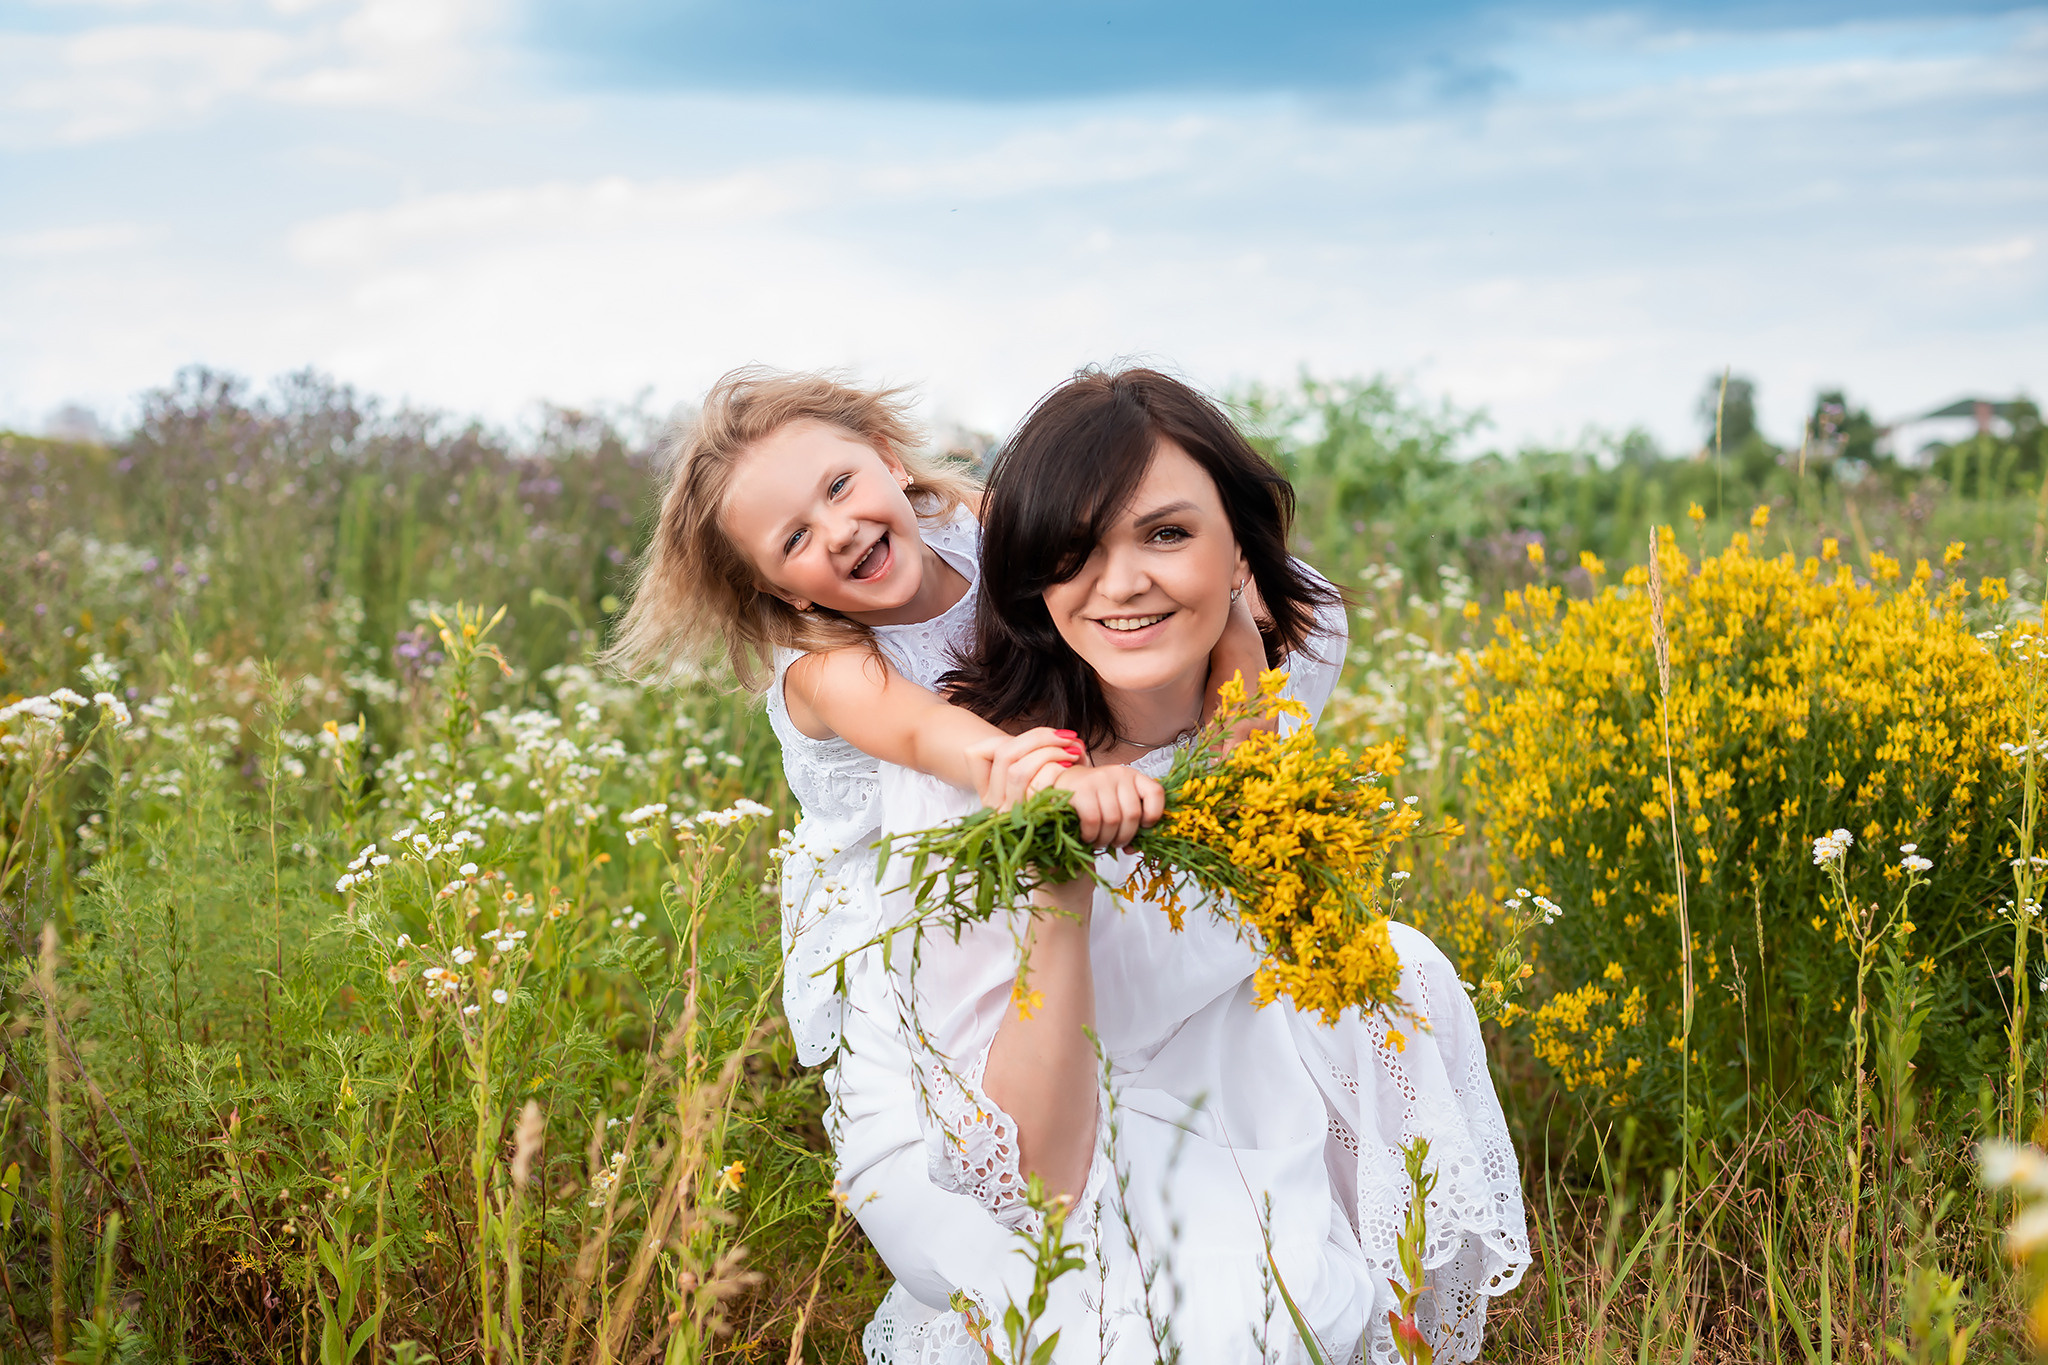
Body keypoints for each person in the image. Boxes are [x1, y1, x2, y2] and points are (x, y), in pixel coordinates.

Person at [836, 368, 1531, 1364]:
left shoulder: (1272, 670)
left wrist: (1239, 645)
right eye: (1075, 552)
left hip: (1231, 1063)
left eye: (1165, 534)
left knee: (1396, 974)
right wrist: (1057, 886)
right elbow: (1036, 1177)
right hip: (1054, 1133)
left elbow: (1249, 803)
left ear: (1238, 549)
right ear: (1031, 573)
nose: (1121, 584)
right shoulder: (970, 785)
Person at [601, 366, 1266, 1074]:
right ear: (778, 590)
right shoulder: (827, 667)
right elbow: (933, 735)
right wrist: (1052, 777)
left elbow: (1120, 552)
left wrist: (1230, 661)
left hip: (1018, 801)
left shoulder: (973, 522)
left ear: (889, 459)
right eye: (793, 540)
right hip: (915, 885)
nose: (838, 529)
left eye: (839, 485)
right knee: (1002, 1028)